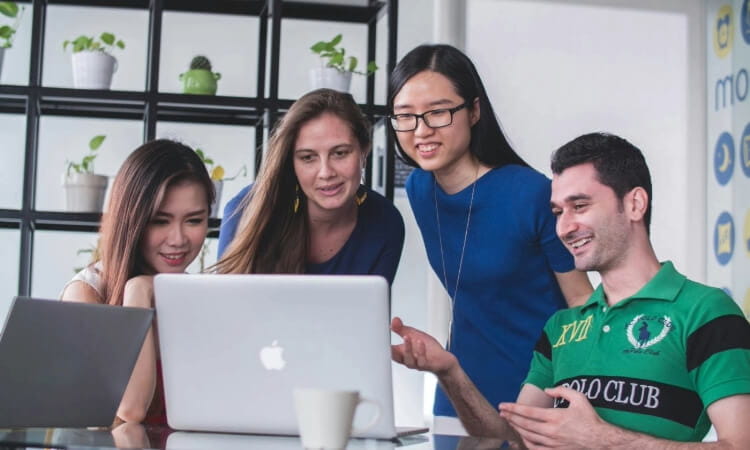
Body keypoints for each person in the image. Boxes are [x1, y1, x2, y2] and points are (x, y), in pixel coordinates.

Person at [391, 132, 750, 447]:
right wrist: (449, 371)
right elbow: (514, 436)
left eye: (580, 206)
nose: (564, 227)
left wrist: (603, 440)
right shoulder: (560, 327)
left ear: (634, 204)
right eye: (558, 211)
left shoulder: (706, 312)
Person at [387, 44, 593, 429]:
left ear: (474, 111)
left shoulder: (530, 193)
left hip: (538, 397)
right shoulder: (419, 189)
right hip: (458, 394)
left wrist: (574, 398)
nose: (421, 130)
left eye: (438, 112)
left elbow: (581, 302)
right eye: (406, 116)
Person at [60, 139, 214, 424]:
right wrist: (138, 293)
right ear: (132, 220)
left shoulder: (194, 296)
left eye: (193, 220)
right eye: (160, 221)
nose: (178, 239)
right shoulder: (86, 294)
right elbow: (131, 409)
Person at [215, 88, 405, 284]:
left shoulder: (385, 222)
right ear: (291, 163)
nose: (326, 172)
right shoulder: (245, 209)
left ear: (364, 151)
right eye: (308, 157)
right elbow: (226, 307)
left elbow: (370, 312)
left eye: (340, 153)